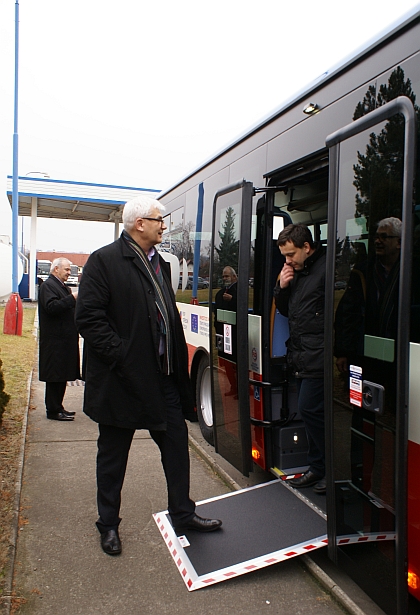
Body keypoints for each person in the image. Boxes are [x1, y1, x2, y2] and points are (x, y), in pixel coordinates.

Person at [75, 195, 222, 556]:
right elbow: (88, 319)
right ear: (140, 224)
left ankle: (183, 513)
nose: (164, 225)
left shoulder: (163, 265)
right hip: (121, 382)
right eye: (159, 219)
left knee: (176, 449)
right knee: (113, 459)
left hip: (163, 380)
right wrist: (123, 357)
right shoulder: (104, 261)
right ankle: (108, 525)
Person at [273, 224, 326, 494]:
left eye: (291, 254)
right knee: (309, 412)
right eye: (284, 255)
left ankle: (328, 469)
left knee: (310, 409)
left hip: (319, 356)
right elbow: (284, 310)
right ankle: (317, 467)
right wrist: (282, 286)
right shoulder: (296, 271)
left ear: (307, 247)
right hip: (301, 355)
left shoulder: (326, 269)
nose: (287, 261)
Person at [38, 258, 80, 421]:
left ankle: (58, 406)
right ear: (56, 269)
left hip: (64, 340)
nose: (69, 273)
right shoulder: (48, 286)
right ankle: (53, 410)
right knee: (55, 377)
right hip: (54, 341)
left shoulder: (62, 287)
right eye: (67, 270)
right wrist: (73, 299)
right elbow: (52, 307)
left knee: (61, 375)